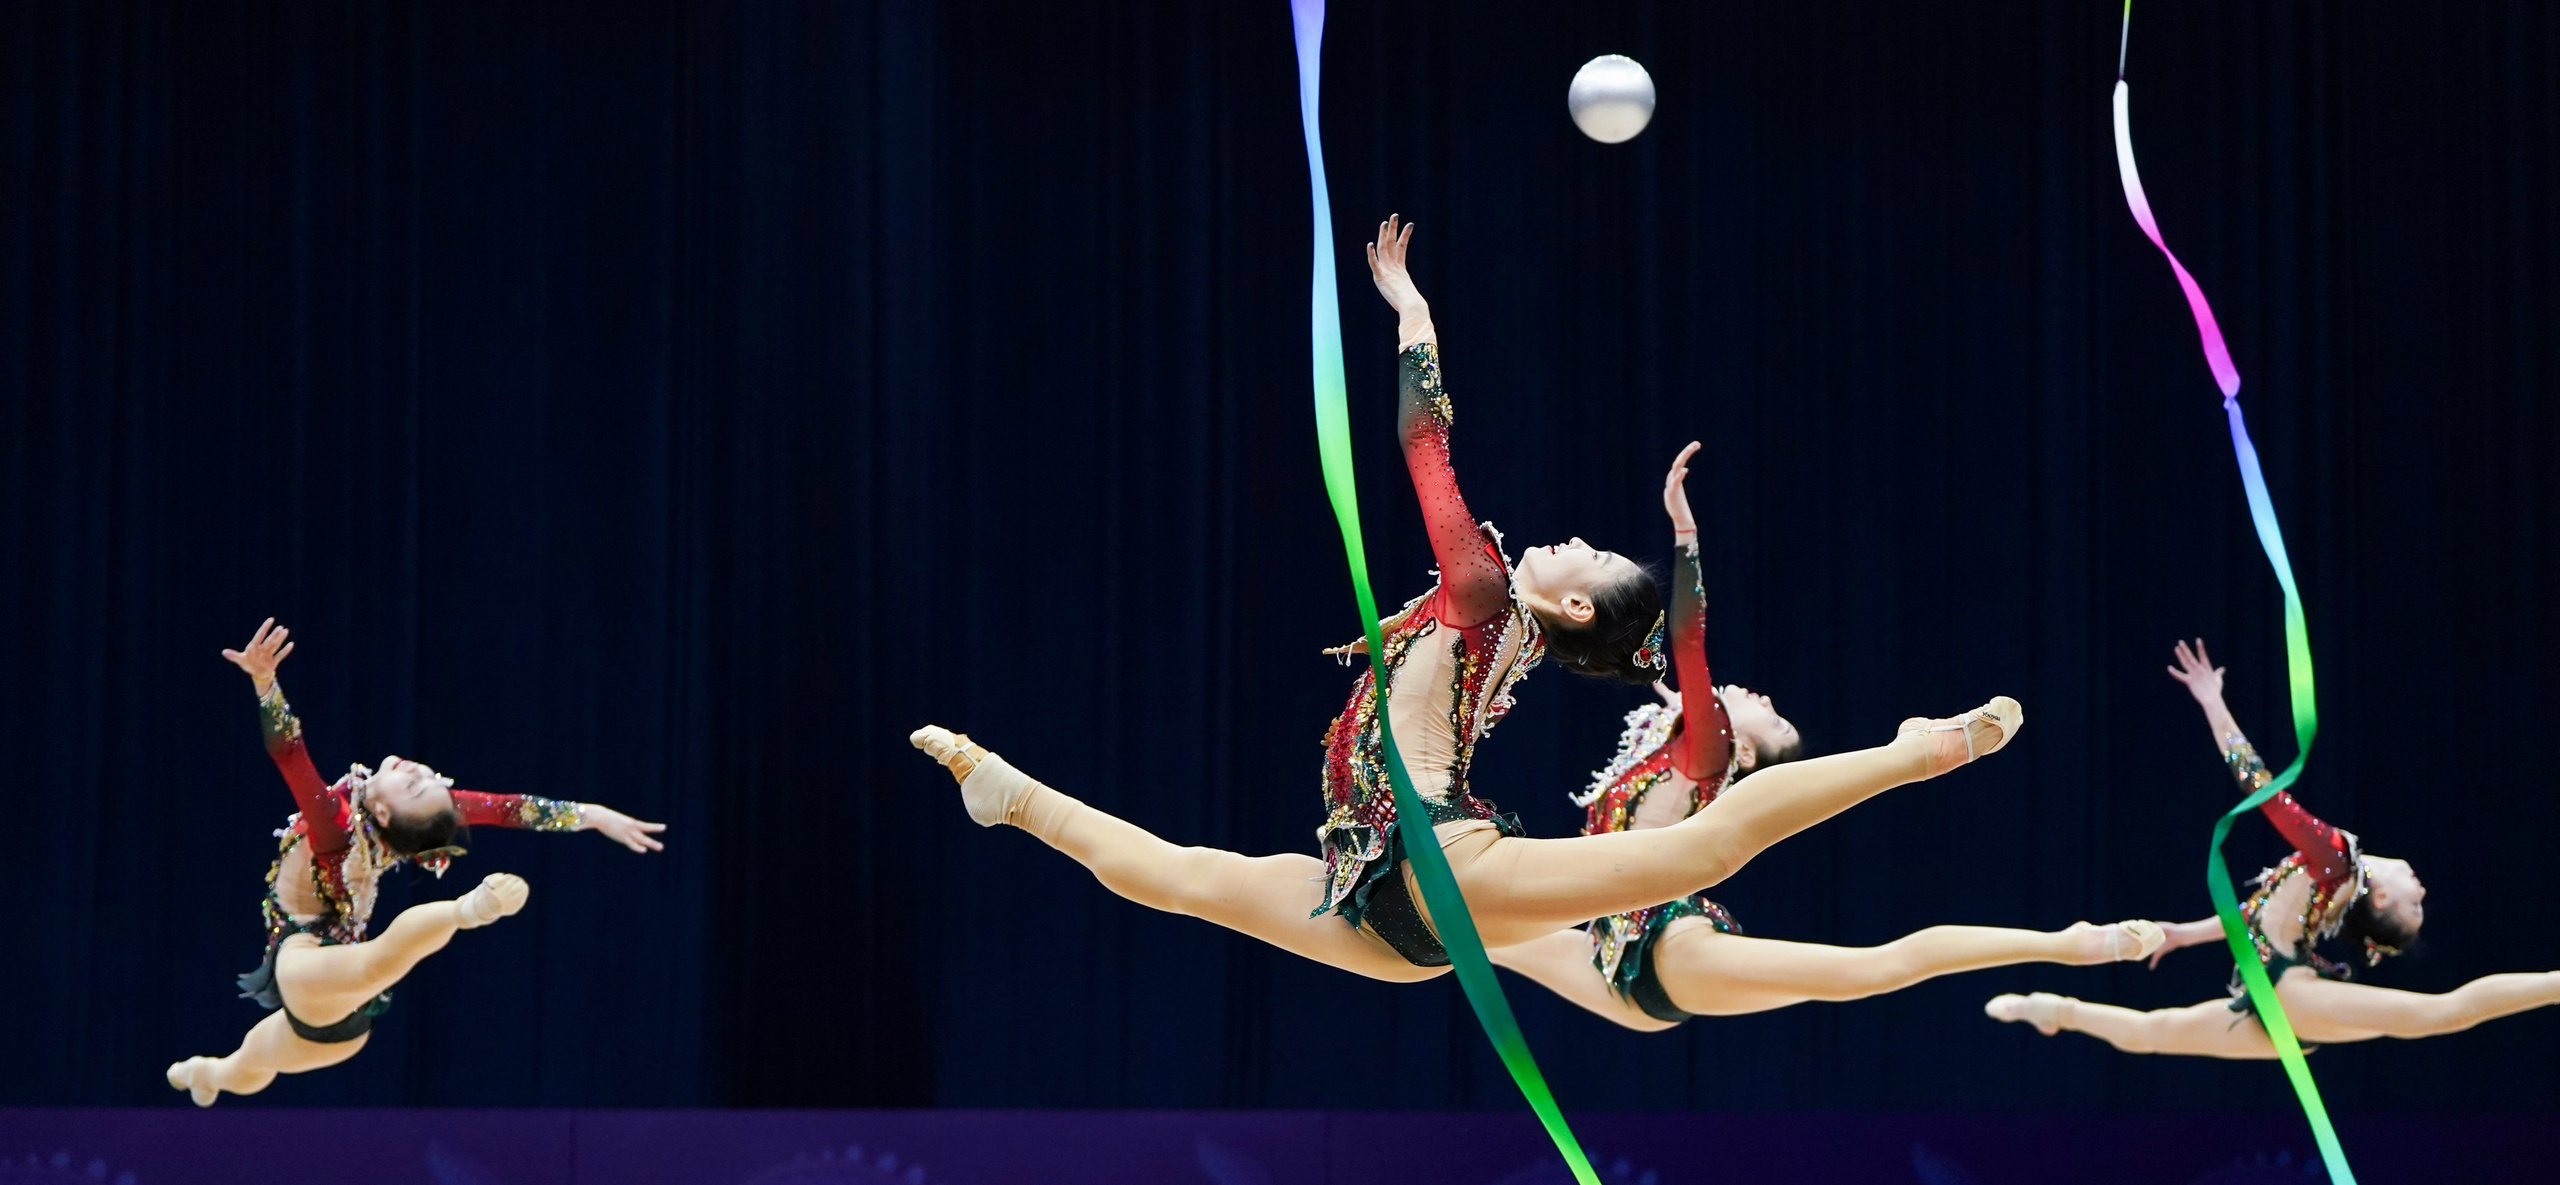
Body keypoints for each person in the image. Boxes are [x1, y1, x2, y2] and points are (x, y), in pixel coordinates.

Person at [911, 216, 2023, 983]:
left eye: (1588, 554)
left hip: (1443, 863)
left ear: (1574, 608)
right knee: (1186, 879)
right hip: (1375, 884)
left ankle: (1913, 750)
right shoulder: (1498, 623)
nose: (1573, 539)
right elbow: (1668, 649)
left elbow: (1420, 443)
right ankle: (1005, 792)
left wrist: (1412, 317)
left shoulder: (1484, 590)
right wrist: (1680, 553)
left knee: (1703, 853)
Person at [1487, 443, 2161, 1029]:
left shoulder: (1708, 755)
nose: (1767, 698)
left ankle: (2070, 943)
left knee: (1872, 968)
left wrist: (1685, 536)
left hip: (1669, 953)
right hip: (1605, 965)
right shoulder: (1658, 744)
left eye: (1772, 718)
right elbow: (1647, 655)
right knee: (1458, 929)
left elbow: (1687, 645)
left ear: (1744, 753)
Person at [165, 619, 667, 1103]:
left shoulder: (335, 826)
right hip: (338, 1015)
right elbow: (513, 808)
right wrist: (594, 814)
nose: (421, 771)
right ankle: (208, 1073)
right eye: (429, 778)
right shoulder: (408, 817)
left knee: (366, 964)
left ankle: (467, 910)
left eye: (415, 783)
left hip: (318, 969)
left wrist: (265, 683)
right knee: (249, 1067)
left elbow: (290, 755)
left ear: (383, 810)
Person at [1982, 639, 2558, 1056]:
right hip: (2275, 1002)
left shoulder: (2335, 860)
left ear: (2379, 896)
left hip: (2288, 997)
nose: (2422, 889)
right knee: (2153, 1034)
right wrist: (2187, 934)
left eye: (2414, 903)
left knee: (2442, 1014)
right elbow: (2255, 918)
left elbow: (2263, 790)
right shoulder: (2329, 878)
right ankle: (2054, 1011)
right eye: (2421, 900)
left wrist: (2213, 702)